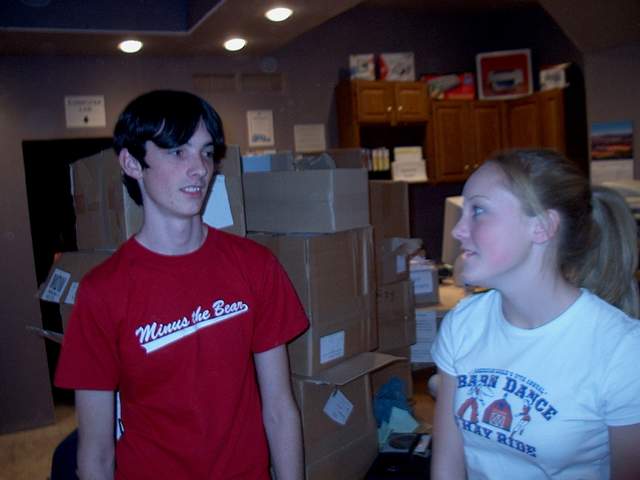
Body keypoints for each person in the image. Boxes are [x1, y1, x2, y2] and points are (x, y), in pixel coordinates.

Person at [55, 90, 309, 480]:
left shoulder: (256, 266)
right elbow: (97, 452)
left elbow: (279, 408)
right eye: (177, 152)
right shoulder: (101, 292)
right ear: (132, 163)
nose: (200, 169)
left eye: (206, 152)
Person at [431, 149, 640, 479]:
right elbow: (447, 465)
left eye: (478, 210)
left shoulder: (621, 350)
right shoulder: (463, 324)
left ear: (542, 227)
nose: (459, 230)